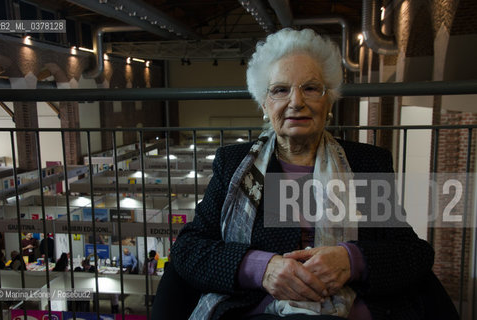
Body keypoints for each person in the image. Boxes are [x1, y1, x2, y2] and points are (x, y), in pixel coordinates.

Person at [153, 28, 458, 320]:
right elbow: (192, 246)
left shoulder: (367, 162)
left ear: (329, 101)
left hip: (350, 310)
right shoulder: (233, 164)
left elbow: (411, 252)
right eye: (280, 90)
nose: (296, 102)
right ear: (264, 103)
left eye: (310, 88)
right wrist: (262, 268)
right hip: (257, 309)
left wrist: (352, 261)